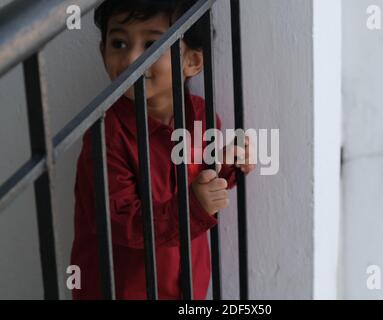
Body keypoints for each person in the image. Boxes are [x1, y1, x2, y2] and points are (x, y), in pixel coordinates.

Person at [70, 0, 256, 300]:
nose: (131, 57)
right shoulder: (105, 136)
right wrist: (195, 206)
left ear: (193, 62)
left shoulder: (201, 117)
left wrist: (229, 165)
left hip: (186, 284)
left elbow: (202, 178)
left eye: (152, 44)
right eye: (118, 42)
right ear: (102, 51)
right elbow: (124, 223)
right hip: (122, 290)